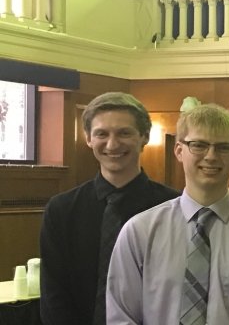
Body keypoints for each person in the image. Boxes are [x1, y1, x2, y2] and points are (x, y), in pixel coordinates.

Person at [106, 103, 229, 323]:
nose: (211, 156)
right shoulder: (141, 231)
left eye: (223, 147)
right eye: (199, 145)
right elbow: (122, 316)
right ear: (178, 151)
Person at [39, 92, 179, 324]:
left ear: (144, 136)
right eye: (102, 134)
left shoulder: (173, 208)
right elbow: (54, 295)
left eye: (124, 133)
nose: (112, 144)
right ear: (88, 139)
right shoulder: (61, 210)